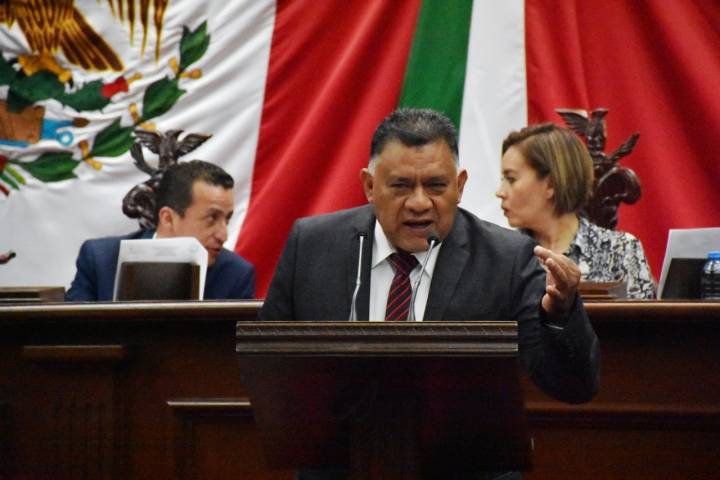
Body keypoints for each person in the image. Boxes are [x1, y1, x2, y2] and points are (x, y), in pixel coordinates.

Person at [260, 109, 599, 479]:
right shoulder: (312, 246)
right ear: (369, 185)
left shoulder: (507, 259)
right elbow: (267, 371)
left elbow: (574, 386)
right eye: (401, 186)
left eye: (436, 186)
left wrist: (561, 313)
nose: (419, 203)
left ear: (460, 185)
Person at [496, 123, 656, 299]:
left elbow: (644, 316)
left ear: (550, 184)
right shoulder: (501, 255)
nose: (499, 192)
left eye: (511, 179)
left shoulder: (621, 251)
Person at [66, 159, 255, 301]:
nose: (223, 235)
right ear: (168, 218)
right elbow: (73, 335)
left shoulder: (236, 275)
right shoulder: (100, 260)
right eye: (212, 218)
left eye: (227, 219)